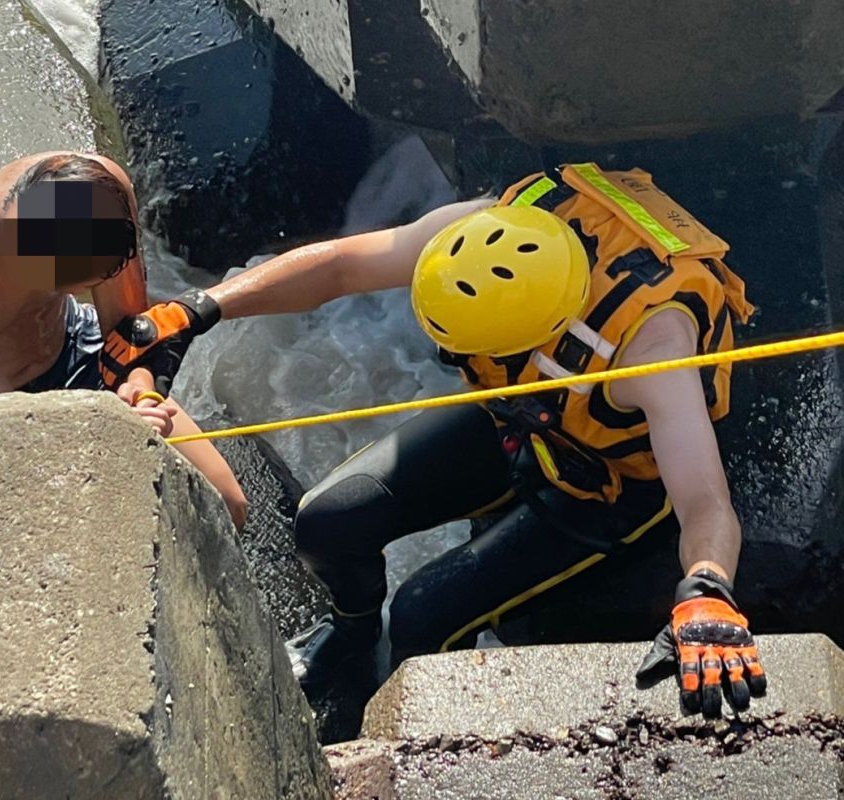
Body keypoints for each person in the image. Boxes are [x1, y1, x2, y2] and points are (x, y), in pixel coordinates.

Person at [99, 162, 768, 715]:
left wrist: (707, 590)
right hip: (519, 423)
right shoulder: (498, 226)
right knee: (329, 521)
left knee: (423, 616)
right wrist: (198, 309)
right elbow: (339, 269)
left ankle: (422, 726)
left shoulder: (651, 348)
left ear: (534, 335)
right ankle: (353, 634)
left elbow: (706, 504)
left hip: (602, 484)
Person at [0, 152, 247, 530]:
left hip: (73, 348)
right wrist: (107, 427)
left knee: (224, 503)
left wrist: (139, 394)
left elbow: (127, 334)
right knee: (26, 526)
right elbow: (4, 428)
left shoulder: (101, 190)